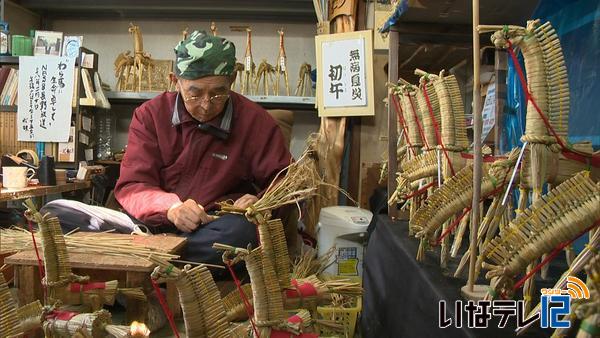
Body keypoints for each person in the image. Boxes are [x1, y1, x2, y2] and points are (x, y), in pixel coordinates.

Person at [42, 30, 292, 267]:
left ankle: (148, 260)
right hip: (146, 226)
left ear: (233, 81)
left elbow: (288, 182)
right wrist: (171, 209)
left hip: (212, 229)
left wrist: (261, 202)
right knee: (55, 214)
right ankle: (162, 257)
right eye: (195, 93)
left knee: (243, 235)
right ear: (176, 82)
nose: (206, 105)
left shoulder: (254, 122)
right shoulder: (150, 115)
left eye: (218, 93)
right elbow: (132, 186)